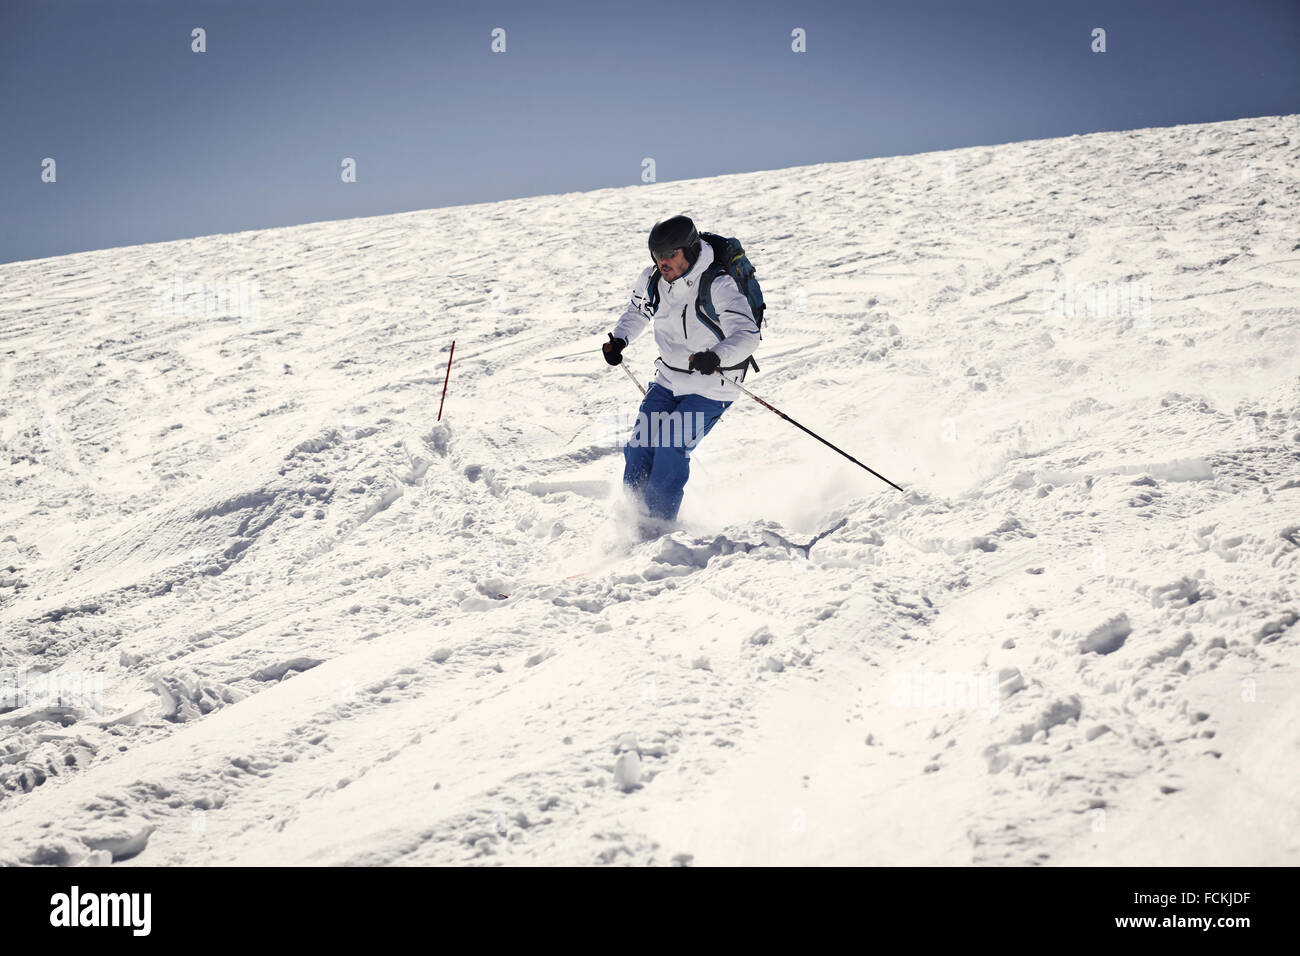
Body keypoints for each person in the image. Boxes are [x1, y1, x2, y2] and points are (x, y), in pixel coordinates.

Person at [601, 215, 759, 533]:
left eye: (671, 254)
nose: (663, 262)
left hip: (713, 384)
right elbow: (638, 311)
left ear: (688, 249)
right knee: (640, 445)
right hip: (668, 379)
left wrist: (716, 355)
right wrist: (620, 338)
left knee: (671, 443)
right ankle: (632, 523)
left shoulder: (717, 284)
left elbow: (747, 334)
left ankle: (658, 527)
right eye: (657, 255)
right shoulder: (653, 281)